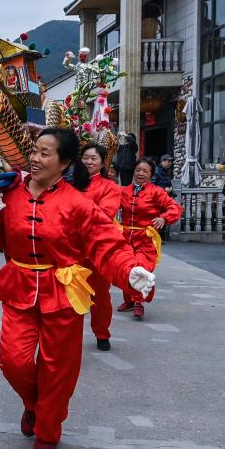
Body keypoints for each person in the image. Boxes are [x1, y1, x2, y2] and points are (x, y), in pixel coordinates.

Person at [0, 128, 154, 449]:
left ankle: (48, 425)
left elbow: (106, 244)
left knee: (59, 367)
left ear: (64, 163)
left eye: (45, 153)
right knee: (12, 360)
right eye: (35, 151)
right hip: (19, 287)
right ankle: (33, 403)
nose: (35, 158)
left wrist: (130, 270)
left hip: (64, 291)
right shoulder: (11, 192)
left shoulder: (76, 203)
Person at [118, 158, 183, 319]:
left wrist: (164, 218)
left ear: (151, 174)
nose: (140, 173)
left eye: (145, 171)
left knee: (141, 269)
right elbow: (108, 205)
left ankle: (139, 301)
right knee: (126, 270)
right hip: (125, 238)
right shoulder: (124, 191)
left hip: (145, 239)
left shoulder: (156, 192)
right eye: (138, 169)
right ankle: (129, 300)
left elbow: (175, 207)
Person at [78, 143, 122, 350]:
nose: (88, 161)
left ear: (103, 162)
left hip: (97, 248)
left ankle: (102, 333)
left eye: (93, 158)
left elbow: (105, 214)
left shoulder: (109, 187)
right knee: (69, 292)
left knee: (100, 294)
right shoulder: (70, 183)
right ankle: (69, 335)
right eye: (85, 157)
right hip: (71, 248)